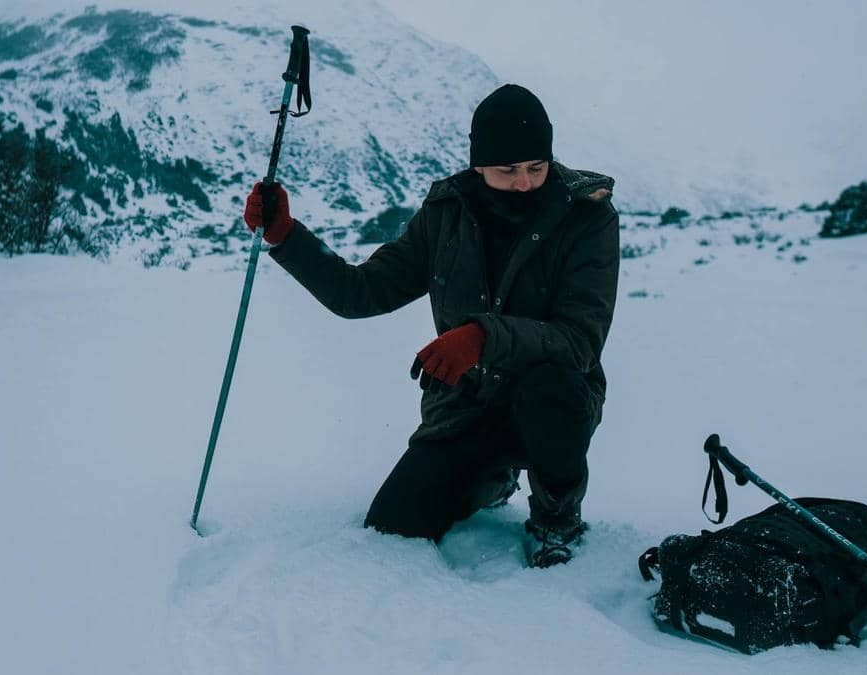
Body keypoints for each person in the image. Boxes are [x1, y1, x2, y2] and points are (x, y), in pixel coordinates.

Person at [242, 84, 619, 567]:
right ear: (479, 165)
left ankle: (556, 517)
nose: (525, 183)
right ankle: (491, 477)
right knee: (395, 525)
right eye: (508, 170)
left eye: (536, 167)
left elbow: (579, 341)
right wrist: (287, 237)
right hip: (467, 405)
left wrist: (482, 336)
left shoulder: (586, 216)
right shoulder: (447, 213)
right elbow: (362, 291)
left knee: (554, 388)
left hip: (552, 402)